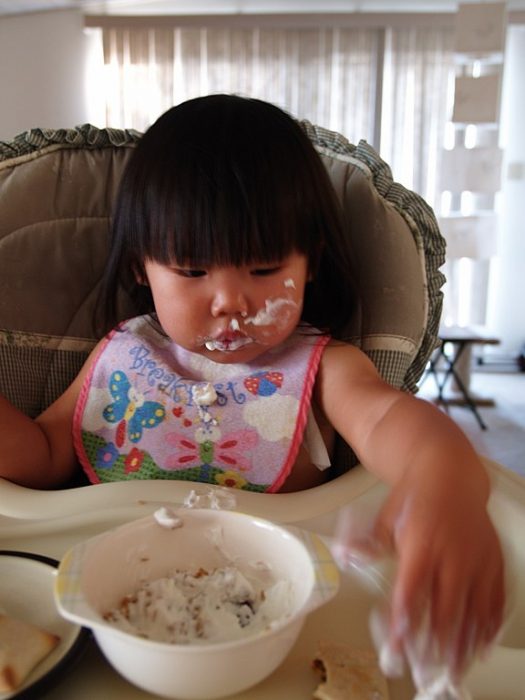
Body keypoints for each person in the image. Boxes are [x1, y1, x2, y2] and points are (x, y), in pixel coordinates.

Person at [0, 94, 504, 677]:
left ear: (308, 264)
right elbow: (38, 456)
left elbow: (394, 423)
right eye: (191, 271)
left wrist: (445, 481)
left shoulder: (323, 370)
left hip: (278, 637)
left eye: (265, 270)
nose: (231, 302)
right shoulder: (121, 358)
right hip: (104, 631)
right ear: (143, 267)